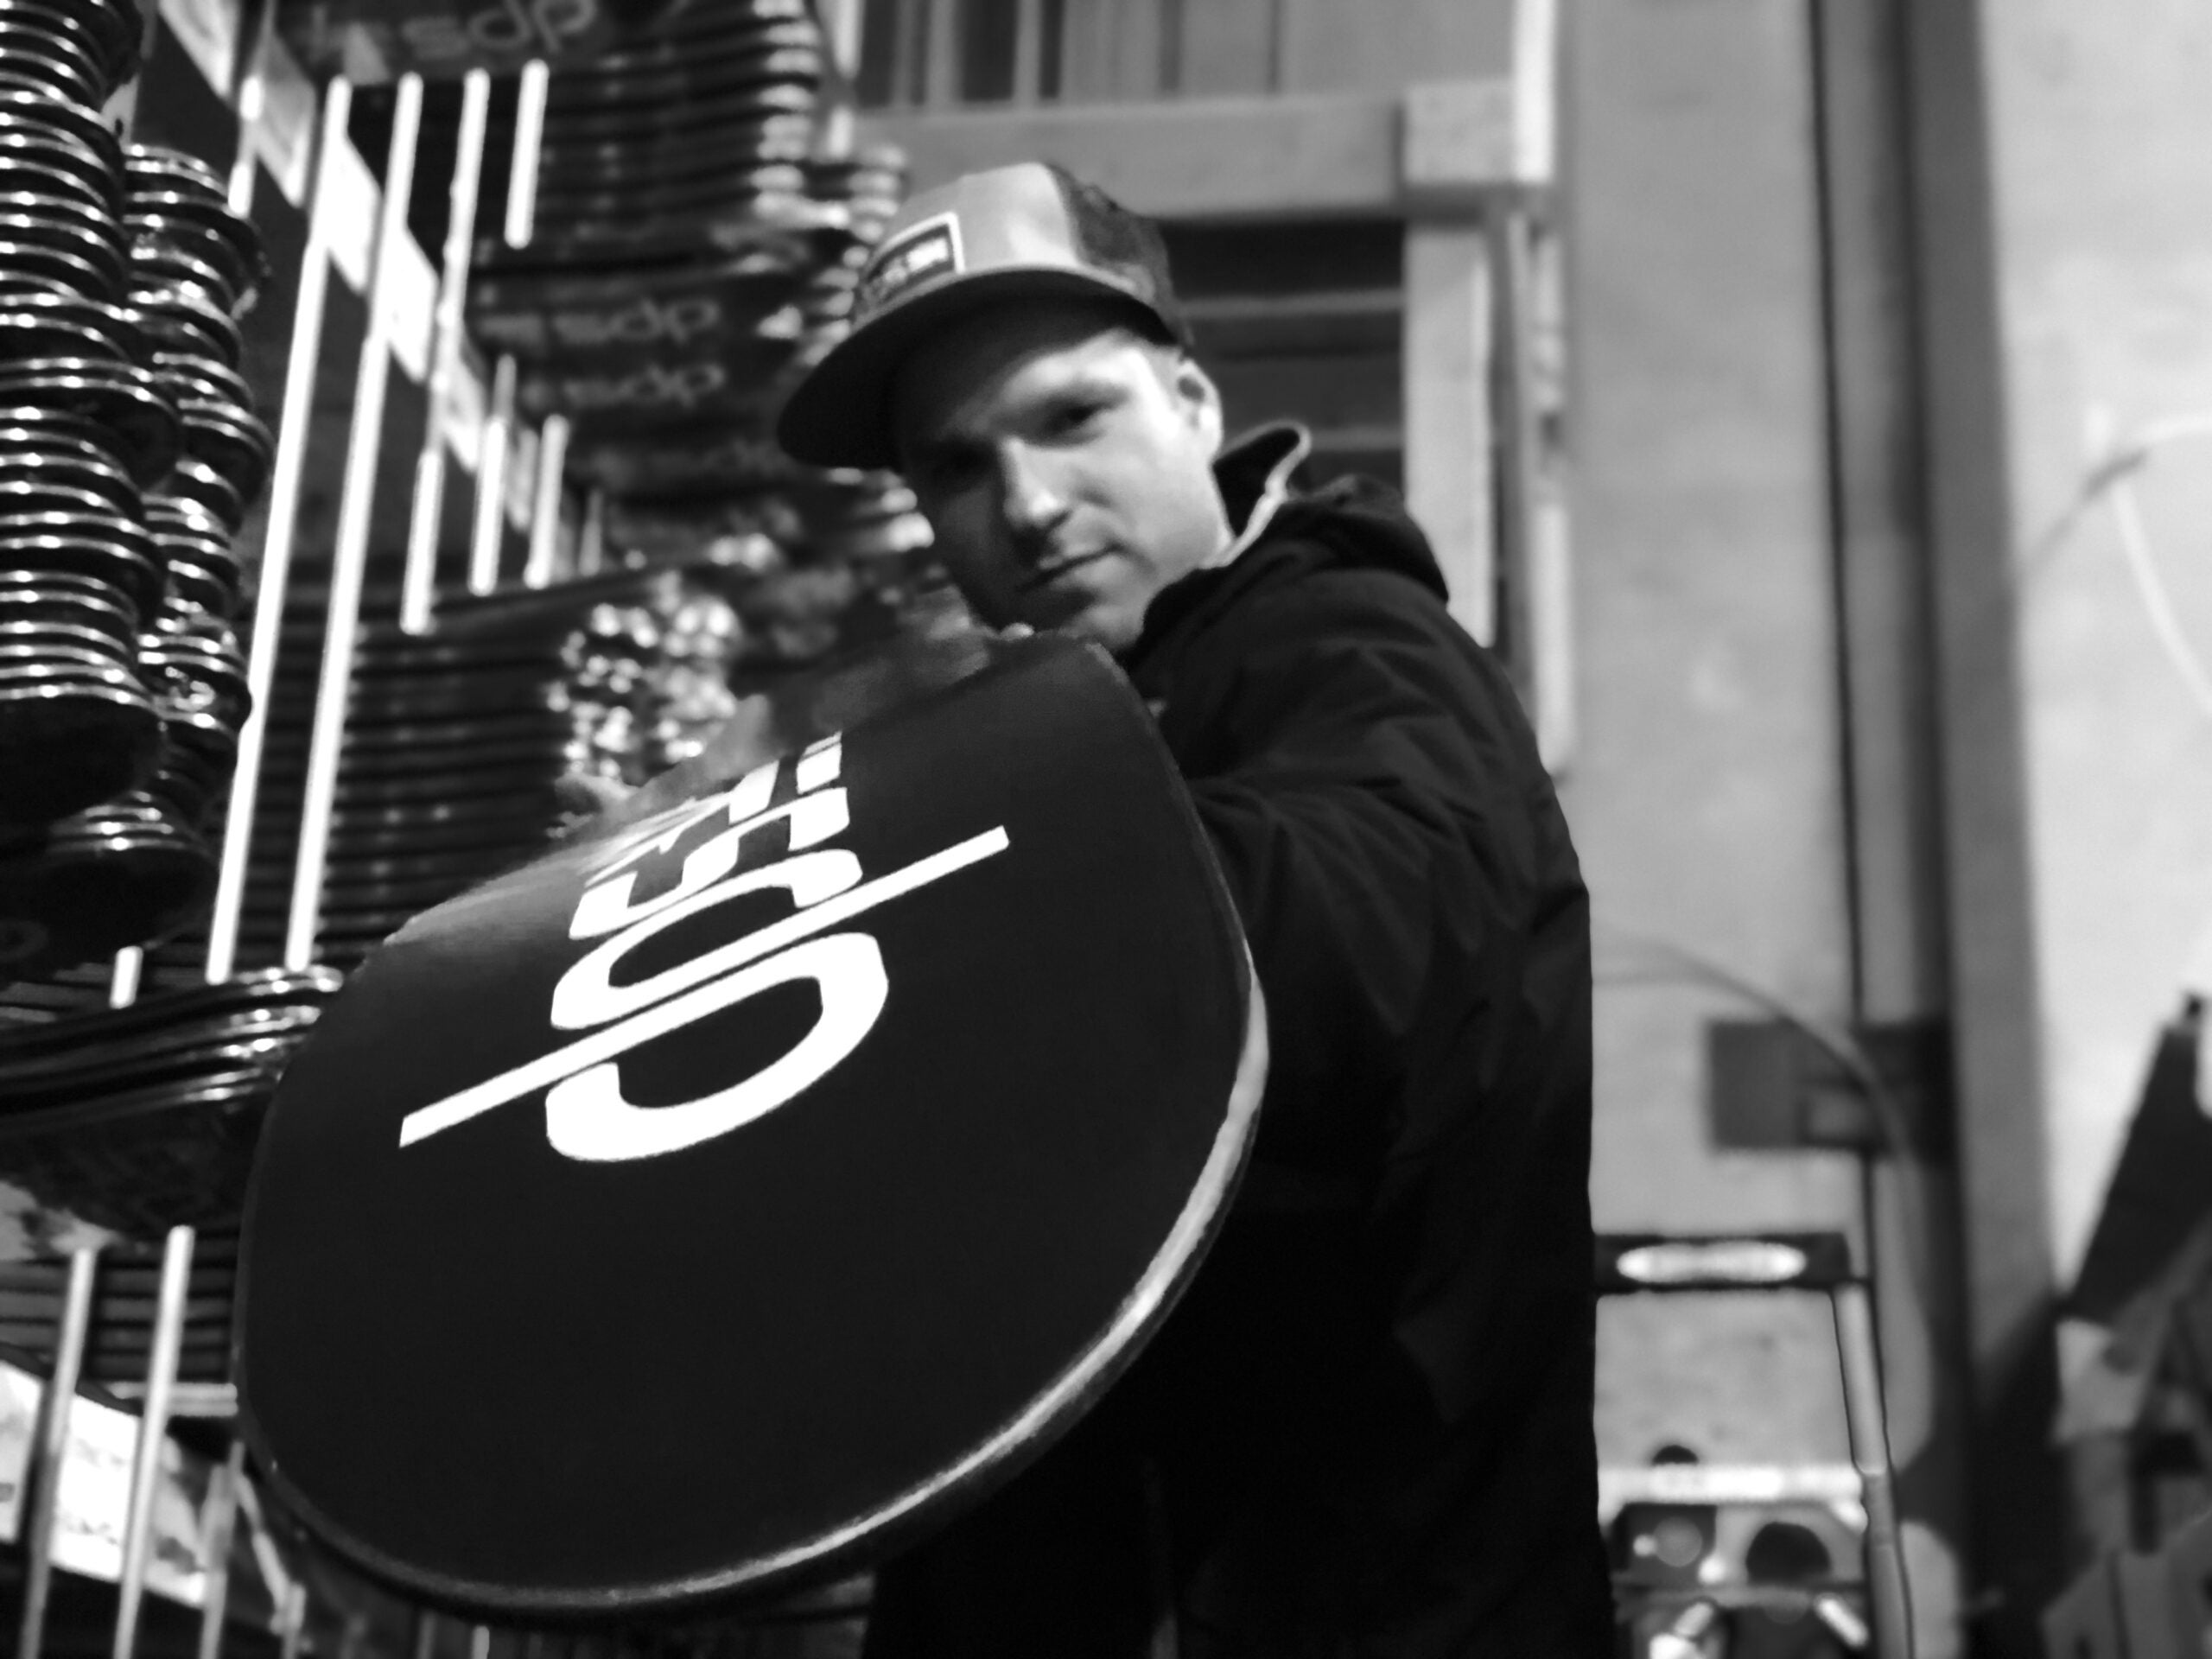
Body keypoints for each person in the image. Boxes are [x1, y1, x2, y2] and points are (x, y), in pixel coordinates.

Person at [775, 162, 1611, 1657]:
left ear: (1194, 405)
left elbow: (1349, 945)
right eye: (954, 468)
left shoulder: (1351, 646)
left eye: (1072, 417)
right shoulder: (1090, 723)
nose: (1027, 505)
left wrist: (865, 861)